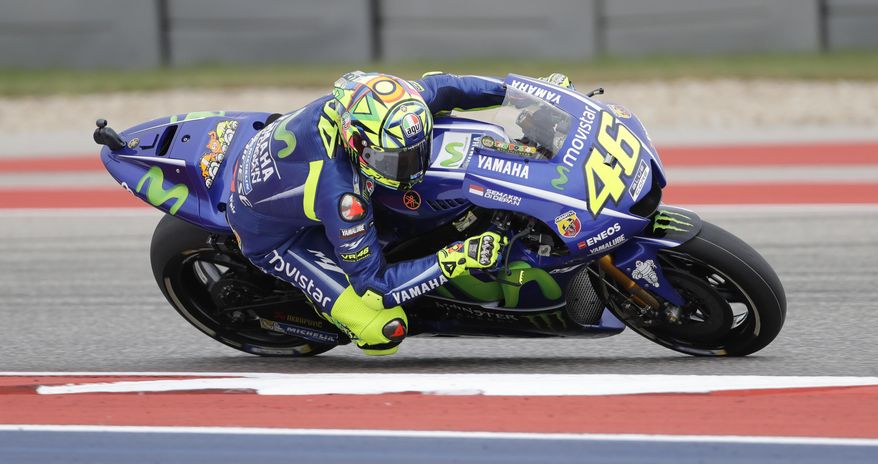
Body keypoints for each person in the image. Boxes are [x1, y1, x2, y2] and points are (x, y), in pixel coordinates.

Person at [227, 71, 569, 355]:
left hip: (281, 163)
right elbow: (374, 287)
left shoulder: (392, 103)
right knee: (384, 330)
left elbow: (452, 87)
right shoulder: (343, 197)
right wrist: (458, 257)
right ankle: (325, 309)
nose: (412, 168)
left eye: (416, 153)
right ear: (357, 143)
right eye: (395, 160)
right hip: (277, 238)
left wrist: (527, 97)